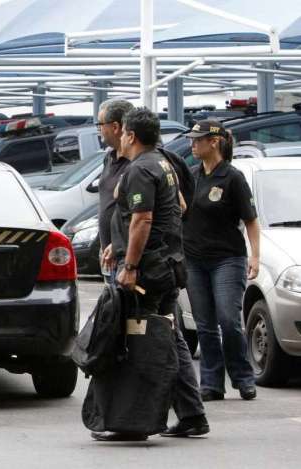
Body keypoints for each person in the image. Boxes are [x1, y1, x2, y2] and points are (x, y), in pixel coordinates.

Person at [96, 108, 208, 441]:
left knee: (141, 344)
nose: (119, 137)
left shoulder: (141, 169)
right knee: (169, 339)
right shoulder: (163, 163)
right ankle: (192, 415)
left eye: (122, 132)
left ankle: (135, 422)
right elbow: (179, 207)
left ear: (130, 135)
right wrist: (118, 241)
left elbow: (143, 219)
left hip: (147, 272)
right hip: (168, 265)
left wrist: (130, 265)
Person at [182, 119, 260, 401]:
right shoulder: (192, 176)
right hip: (194, 260)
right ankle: (212, 383)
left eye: (197, 140)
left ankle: (243, 377)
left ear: (214, 142)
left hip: (227, 259)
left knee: (228, 321)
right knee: (204, 325)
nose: (192, 145)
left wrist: (255, 256)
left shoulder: (232, 177)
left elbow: (251, 220)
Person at [96, 99, 134, 284]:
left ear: (116, 127)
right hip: (110, 254)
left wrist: (119, 243)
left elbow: (142, 215)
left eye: (100, 124)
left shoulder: (137, 163)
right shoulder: (109, 158)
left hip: (127, 255)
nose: (98, 129)